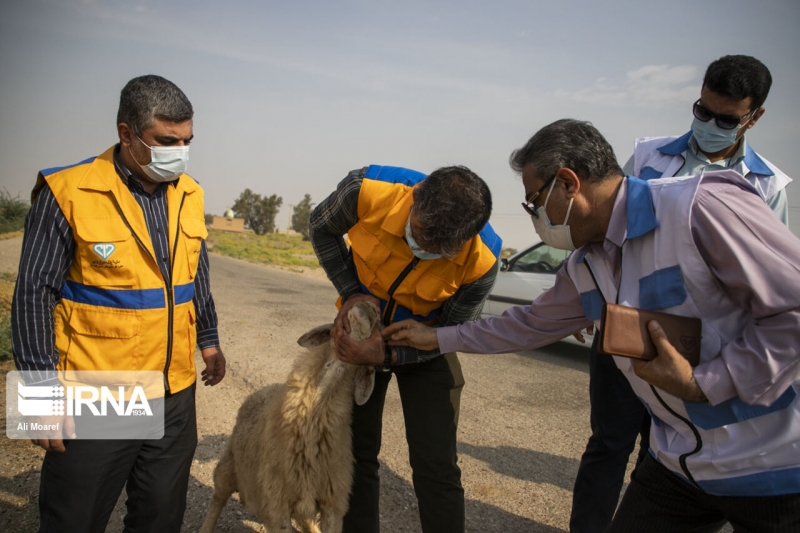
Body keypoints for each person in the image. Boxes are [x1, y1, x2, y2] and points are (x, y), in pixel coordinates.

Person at [384, 119, 800, 532]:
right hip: (678, 462)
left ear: (568, 183)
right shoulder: (586, 264)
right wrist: (437, 337)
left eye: (533, 202)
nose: (534, 217)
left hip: (772, 464)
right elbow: (527, 324)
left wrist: (706, 381)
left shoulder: (697, 208)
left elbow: (793, 311)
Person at [569, 54, 793, 533]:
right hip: (623, 329)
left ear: (754, 117)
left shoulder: (770, 185)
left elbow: (773, 284)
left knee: (665, 448)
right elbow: (605, 224)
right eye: (702, 111)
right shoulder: (649, 155)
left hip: (695, 352)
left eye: (726, 119)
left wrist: (720, 376)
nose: (709, 125)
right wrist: (588, 297)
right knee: (608, 442)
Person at [11, 74, 226, 532]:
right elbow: (32, 294)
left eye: (187, 141)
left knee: (160, 518)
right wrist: (37, 398)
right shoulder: (67, 191)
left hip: (173, 392)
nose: (180, 152)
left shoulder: (190, 193)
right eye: (167, 141)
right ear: (126, 134)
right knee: (77, 518)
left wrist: (208, 340)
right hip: (100, 391)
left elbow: (195, 278)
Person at [309, 164, 501, 533]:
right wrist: (351, 292)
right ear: (416, 197)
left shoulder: (484, 260)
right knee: (355, 453)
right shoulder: (365, 191)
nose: (425, 251)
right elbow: (321, 227)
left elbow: (453, 332)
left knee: (436, 464)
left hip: (426, 347)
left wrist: (392, 356)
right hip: (362, 331)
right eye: (421, 235)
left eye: (440, 252)